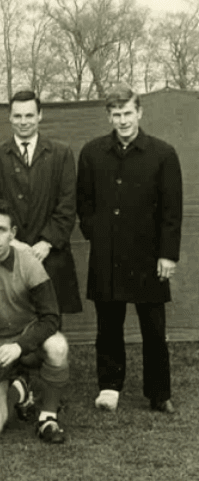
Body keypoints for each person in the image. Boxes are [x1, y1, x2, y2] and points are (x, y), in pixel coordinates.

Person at [76, 84, 182, 414]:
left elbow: (171, 210)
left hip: (150, 257)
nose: (123, 120)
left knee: (153, 328)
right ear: (108, 116)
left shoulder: (162, 154)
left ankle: (159, 392)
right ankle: (109, 386)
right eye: (116, 114)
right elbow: (85, 203)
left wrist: (167, 254)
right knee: (108, 326)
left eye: (128, 113)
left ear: (140, 113)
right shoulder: (92, 153)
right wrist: (99, 234)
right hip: (107, 256)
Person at [0, 199, 69, 444]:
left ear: (12, 233)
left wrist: (20, 345)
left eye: (1, 230)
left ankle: (48, 417)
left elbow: (51, 317)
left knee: (58, 346)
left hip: (26, 342)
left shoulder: (29, 263)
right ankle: (19, 391)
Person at [0, 90, 82, 315]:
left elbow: (68, 204)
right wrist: (12, 242)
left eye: (29, 115)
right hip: (9, 252)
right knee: (12, 321)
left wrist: (46, 243)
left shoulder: (61, 153)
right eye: (18, 116)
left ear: (40, 115)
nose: (23, 122)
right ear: (9, 117)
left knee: (50, 326)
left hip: (50, 255)